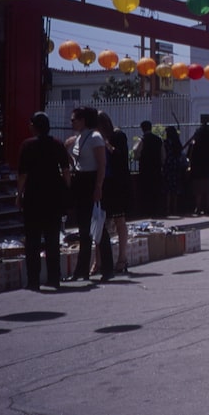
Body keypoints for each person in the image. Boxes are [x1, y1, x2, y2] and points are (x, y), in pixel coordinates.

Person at [16, 112, 71, 290]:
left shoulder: (27, 145)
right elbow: (66, 171)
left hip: (33, 196)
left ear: (35, 126)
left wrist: (19, 194)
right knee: (52, 239)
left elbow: (23, 174)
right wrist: (66, 190)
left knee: (32, 240)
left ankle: (33, 280)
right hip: (53, 196)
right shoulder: (57, 144)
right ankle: (54, 278)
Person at [68, 106, 113, 281]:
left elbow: (101, 164)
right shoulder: (78, 138)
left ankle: (107, 268)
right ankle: (81, 269)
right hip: (80, 180)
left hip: (91, 180)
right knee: (84, 229)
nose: (72, 122)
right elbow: (77, 162)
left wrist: (98, 186)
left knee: (98, 227)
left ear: (83, 120)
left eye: (74, 119)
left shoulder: (95, 137)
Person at [97, 111, 132, 275]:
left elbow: (122, 157)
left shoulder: (118, 136)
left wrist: (107, 145)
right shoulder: (97, 140)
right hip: (105, 183)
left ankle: (122, 258)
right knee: (102, 223)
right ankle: (100, 260)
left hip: (117, 184)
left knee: (119, 220)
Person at [133, 120, 164, 217]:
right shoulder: (159, 140)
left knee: (145, 190)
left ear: (142, 129)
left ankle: (146, 210)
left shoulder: (142, 140)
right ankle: (156, 210)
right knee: (156, 190)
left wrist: (137, 157)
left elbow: (136, 152)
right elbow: (163, 155)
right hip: (156, 169)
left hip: (145, 169)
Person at [187, 125, 209, 216]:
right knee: (208, 191)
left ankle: (198, 207)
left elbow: (189, 156)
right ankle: (208, 208)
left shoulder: (195, 144)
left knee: (198, 191)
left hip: (197, 170)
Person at [162, 126, 185, 216]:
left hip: (168, 165)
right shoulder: (177, 143)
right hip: (176, 165)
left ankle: (167, 208)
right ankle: (174, 208)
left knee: (168, 188)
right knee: (175, 188)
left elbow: (163, 154)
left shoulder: (165, 143)